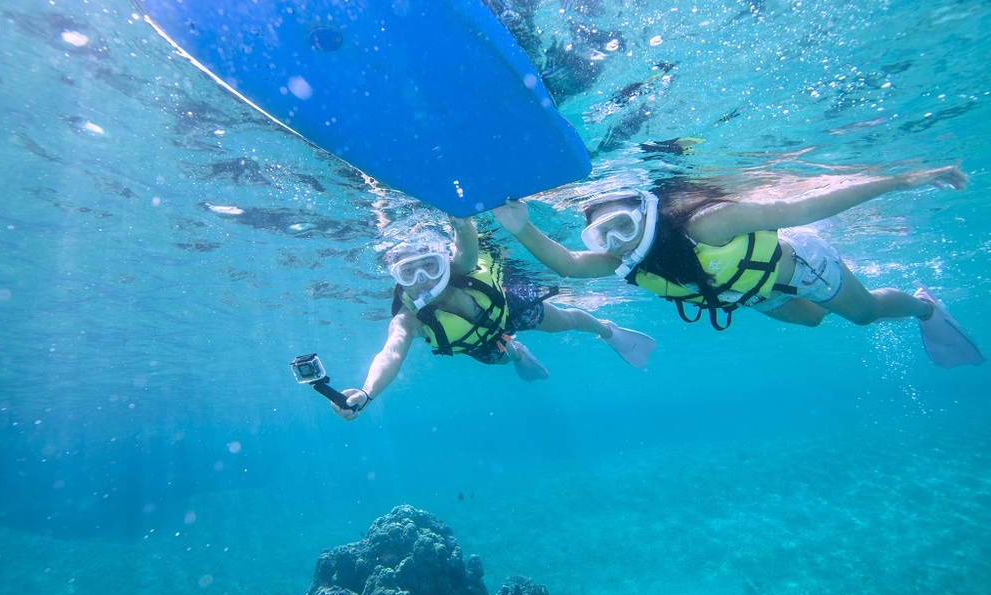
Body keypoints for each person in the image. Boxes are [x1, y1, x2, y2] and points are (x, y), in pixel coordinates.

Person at [492, 166, 984, 368]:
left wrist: (898, 181)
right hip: (753, 292)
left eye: (623, 225)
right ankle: (852, 291)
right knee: (813, 320)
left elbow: (804, 206)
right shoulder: (623, 262)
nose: (617, 243)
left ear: (647, 213)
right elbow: (568, 266)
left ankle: (925, 307)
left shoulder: (707, 225)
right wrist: (520, 227)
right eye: (604, 236)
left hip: (800, 266)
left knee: (864, 314)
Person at [331, 216, 657, 420]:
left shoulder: (462, 266)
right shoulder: (408, 320)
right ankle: (517, 353)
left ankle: (608, 332)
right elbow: (390, 354)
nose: (423, 280)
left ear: (443, 261)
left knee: (565, 322)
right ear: (397, 278)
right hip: (477, 342)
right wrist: (367, 392)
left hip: (509, 307)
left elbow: (466, 244)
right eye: (409, 273)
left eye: (430, 265)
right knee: (501, 360)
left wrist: (460, 221)